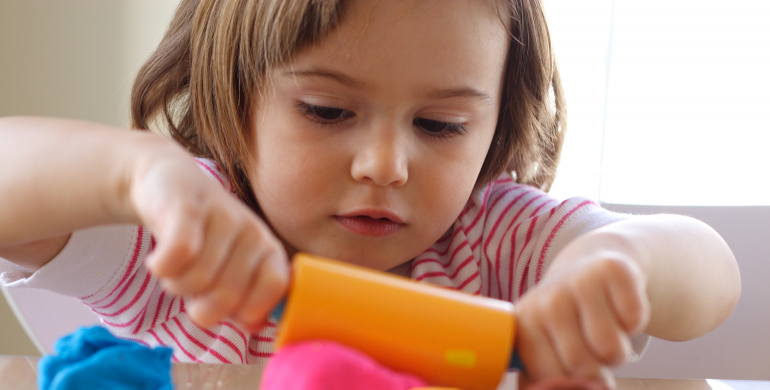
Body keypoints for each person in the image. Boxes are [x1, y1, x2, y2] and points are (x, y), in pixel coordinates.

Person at [0, 0, 740, 387]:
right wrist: (138, 175)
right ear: (235, 98)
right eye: (328, 112)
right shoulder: (188, 241)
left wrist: (615, 265)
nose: (386, 164)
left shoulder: (495, 243)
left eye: (440, 124)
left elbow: (714, 273)